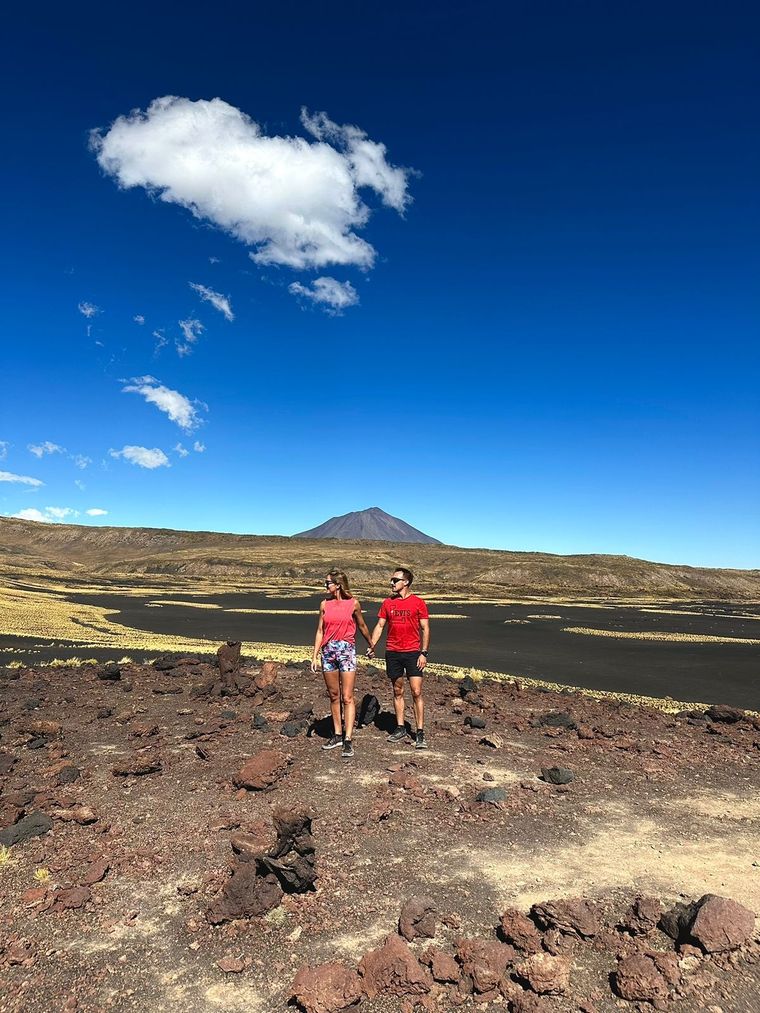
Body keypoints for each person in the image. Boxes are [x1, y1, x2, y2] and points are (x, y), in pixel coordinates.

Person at [311, 570, 373, 759]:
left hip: (346, 651)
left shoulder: (353, 603)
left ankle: (348, 738)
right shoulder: (324, 604)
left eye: (328, 583)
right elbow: (320, 630)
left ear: (338, 584)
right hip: (328, 652)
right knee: (333, 695)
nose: (326, 586)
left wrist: (370, 644)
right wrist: (314, 655)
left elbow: (361, 625)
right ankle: (337, 734)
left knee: (347, 696)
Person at [367, 567, 430, 749]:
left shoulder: (418, 603)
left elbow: (425, 628)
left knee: (416, 691)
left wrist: (423, 653)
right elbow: (380, 625)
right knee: (397, 690)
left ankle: (419, 732)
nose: (392, 583)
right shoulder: (387, 603)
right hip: (393, 652)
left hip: (412, 652)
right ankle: (400, 727)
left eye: (395, 580)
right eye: (391, 580)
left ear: (406, 582)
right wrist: (372, 645)